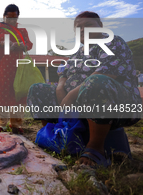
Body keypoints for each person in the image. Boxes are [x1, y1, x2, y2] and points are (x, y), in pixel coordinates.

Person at [27, 11, 141, 167]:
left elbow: (107, 71)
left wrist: (71, 95)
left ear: (100, 26)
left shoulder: (113, 43)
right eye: (79, 27)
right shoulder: (78, 53)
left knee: (96, 82)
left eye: (88, 25)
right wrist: (61, 88)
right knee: (37, 89)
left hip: (115, 103)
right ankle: (55, 135)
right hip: (73, 105)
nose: (82, 30)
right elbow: (64, 71)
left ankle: (95, 147)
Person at [0, 4, 33, 134]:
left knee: (17, 94)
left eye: (14, 18)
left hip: (18, 67)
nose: (11, 20)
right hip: (1, 67)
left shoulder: (22, 30)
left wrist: (21, 45)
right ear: (4, 16)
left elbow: (29, 44)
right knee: (1, 94)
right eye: (8, 17)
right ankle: (3, 124)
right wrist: (1, 44)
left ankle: (16, 124)